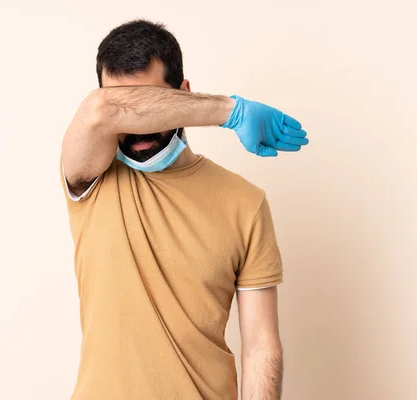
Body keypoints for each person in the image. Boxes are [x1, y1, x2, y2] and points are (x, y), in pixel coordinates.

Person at [60, 19, 309, 400]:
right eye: (124, 108)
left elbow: (261, 345)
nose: (135, 124)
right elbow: (99, 111)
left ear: (184, 94)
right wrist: (233, 111)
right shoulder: (90, 179)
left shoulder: (245, 203)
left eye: (147, 103)